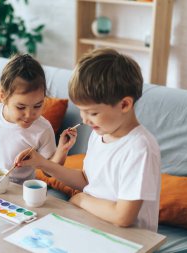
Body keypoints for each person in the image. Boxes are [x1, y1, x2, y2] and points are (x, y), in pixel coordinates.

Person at [15, 48, 161, 232]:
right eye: (81, 111)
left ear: (124, 104)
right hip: (91, 224)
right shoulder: (100, 133)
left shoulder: (140, 148)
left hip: (127, 239)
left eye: (92, 113)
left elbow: (123, 217)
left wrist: (82, 199)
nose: (84, 120)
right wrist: (42, 163)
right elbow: (87, 180)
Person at [0, 54, 77, 184]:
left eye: (38, 106)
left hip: (19, 190)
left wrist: (62, 150)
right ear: (3, 96)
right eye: (21, 107)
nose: (29, 114)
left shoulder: (43, 128)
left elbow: (48, 170)